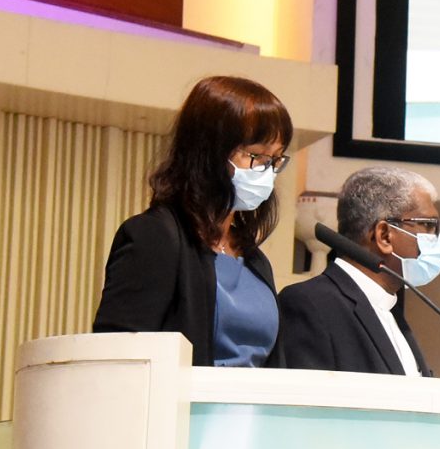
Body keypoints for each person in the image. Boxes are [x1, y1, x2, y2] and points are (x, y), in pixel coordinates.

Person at [94, 76, 293, 365]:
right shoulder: (154, 237)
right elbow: (118, 357)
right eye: (257, 156)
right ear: (209, 151)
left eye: (275, 159)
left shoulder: (254, 259)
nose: (267, 172)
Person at [276, 167, 440, 376]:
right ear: (384, 236)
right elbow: (307, 395)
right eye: (427, 225)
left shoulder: (388, 307)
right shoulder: (311, 304)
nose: (436, 237)